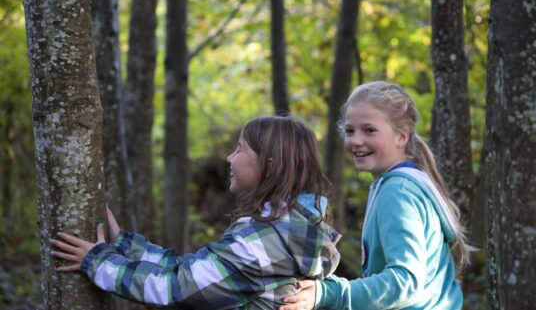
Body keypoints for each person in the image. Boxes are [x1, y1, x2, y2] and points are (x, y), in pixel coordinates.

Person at [51, 116, 341, 309]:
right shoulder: (295, 229)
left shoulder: (261, 244)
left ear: (270, 166)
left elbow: (177, 288)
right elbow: (193, 270)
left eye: (240, 150)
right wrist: (125, 245)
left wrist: (96, 262)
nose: (230, 157)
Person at [280, 81, 471, 310]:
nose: (356, 140)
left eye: (369, 130)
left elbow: (405, 282)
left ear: (402, 137)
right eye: (350, 131)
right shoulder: (399, 184)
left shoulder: (398, 192)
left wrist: (329, 293)